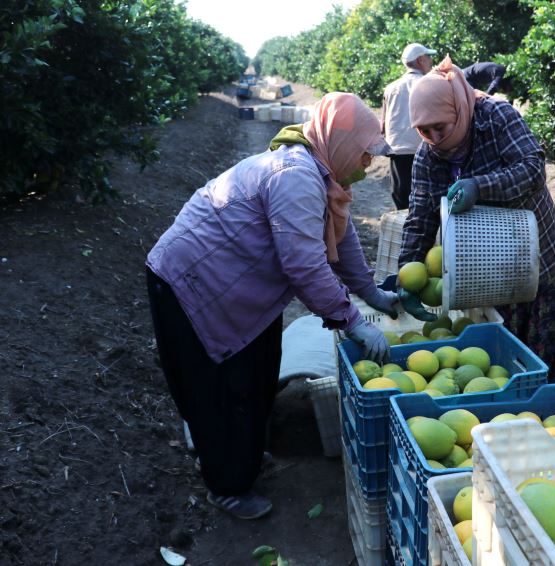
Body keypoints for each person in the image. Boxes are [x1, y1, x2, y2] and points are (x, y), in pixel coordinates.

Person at [145, 93, 397, 520]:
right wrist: (351, 321)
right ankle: (226, 485)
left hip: (238, 288)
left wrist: (372, 295)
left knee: (258, 373)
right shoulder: (295, 174)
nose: (368, 164)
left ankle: (239, 456)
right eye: (365, 153)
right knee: (217, 387)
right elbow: (303, 263)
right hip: (191, 283)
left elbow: (344, 240)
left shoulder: (326, 178)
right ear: (339, 142)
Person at [397, 56, 555, 383]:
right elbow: (421, 214)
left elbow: (533, 169)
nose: (434, 136)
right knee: (499, 358)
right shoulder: (428, 155)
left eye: (440, 126)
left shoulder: (495, 117)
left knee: (538, 352)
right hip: (485, 266)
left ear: (456, 111)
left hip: (532, 251)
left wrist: (481, 186)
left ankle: (542, 407)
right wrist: (409, 267)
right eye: (424, 129)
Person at [381, 42, 437, 209]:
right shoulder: (429, 83)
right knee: (426, 197)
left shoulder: (390, 88)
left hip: (397, 150)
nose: (431, 61)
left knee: (402, 198)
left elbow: (383, 124)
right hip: (425, 149)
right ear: (420, 60)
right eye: (429, 57)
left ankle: (404, 231)